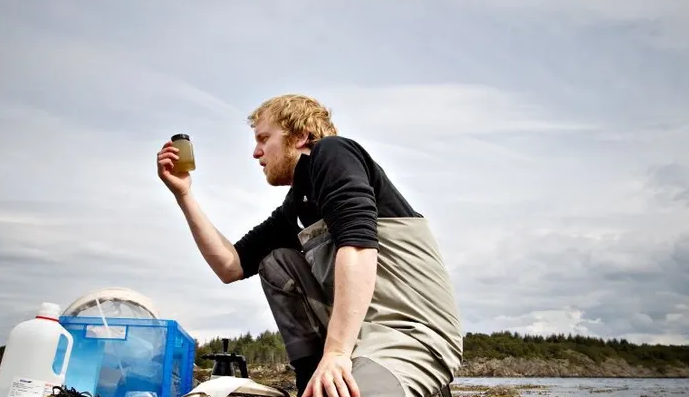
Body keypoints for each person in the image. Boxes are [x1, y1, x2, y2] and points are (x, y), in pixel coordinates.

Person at [157, 94, 463, 397]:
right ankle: (311, 381)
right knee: (277, 263)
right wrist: (183, 195)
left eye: (264, 138)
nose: (256, 152)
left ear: (302, 135)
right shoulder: (297, 206)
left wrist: (337, 353)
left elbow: (357, 246)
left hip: (409, 336)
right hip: (357, 336)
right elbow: (230, 265)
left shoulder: (333, 153)